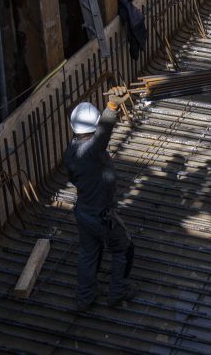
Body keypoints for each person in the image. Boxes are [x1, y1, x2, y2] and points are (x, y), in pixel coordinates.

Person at [62, 87, 136, 312]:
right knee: (124, 249)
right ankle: (117, 292)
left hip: (84, 212)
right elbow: (104, 132)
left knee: (88, 254)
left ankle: (85, 299)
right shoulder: (91, 149)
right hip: (101, 215)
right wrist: (112, 107)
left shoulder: (71, 151)